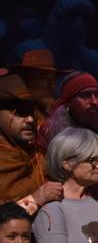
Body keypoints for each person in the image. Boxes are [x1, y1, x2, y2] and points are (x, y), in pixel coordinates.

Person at [7, 0, 98, 94]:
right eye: (73, 16)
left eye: (85, 18)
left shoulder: (89, 58)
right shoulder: (29, 50)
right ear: (57, 17)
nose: (78, 23)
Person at [0, 72, 62, 216]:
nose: (29, 119)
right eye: (20, 113)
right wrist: (36, 198)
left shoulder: (38, 153)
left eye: (31, 113)